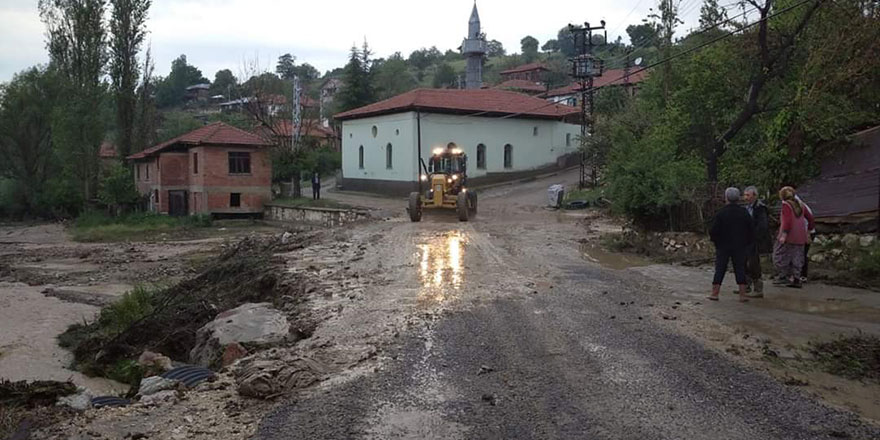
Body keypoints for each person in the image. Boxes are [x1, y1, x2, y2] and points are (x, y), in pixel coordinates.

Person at [708, 187, 755, 302]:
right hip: (740, 246)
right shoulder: (744, 212)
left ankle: (715, 293)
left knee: (720, 268)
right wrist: (747, 243)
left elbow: (713, 231)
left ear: (726, 198)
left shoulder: (721, 213)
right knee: (740, 268)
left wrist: (716, 242)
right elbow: (751, 229)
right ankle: (742, 295)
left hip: (723, 246)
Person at [773, 187, 815, 288]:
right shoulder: (801, 205)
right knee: (797, 257)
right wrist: (808, 231)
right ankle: (797, 279)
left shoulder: (786, 205)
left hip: (788, 235)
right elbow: (810, 218)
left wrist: (784, 234)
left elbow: (787, 221)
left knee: (779, 255)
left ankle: (783, 276)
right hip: (800, 235)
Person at [740, 186, 771, 297]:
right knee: (744, 262)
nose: (746, 197)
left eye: (748, 195)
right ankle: (746, 286)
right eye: (745, 195)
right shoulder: (747, 207)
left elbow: (762, 226)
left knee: (753, 263)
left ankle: (758, 289)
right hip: (746, 239)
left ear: (754, 195)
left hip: (755, 240)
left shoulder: (760, 208)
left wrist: (754, 236)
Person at [796, 194, 815, 282]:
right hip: (801, 232)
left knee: (802, 254)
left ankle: (802, 275)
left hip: (807, 232)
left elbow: (809, 220)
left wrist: (808, 233)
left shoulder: (800, 206)